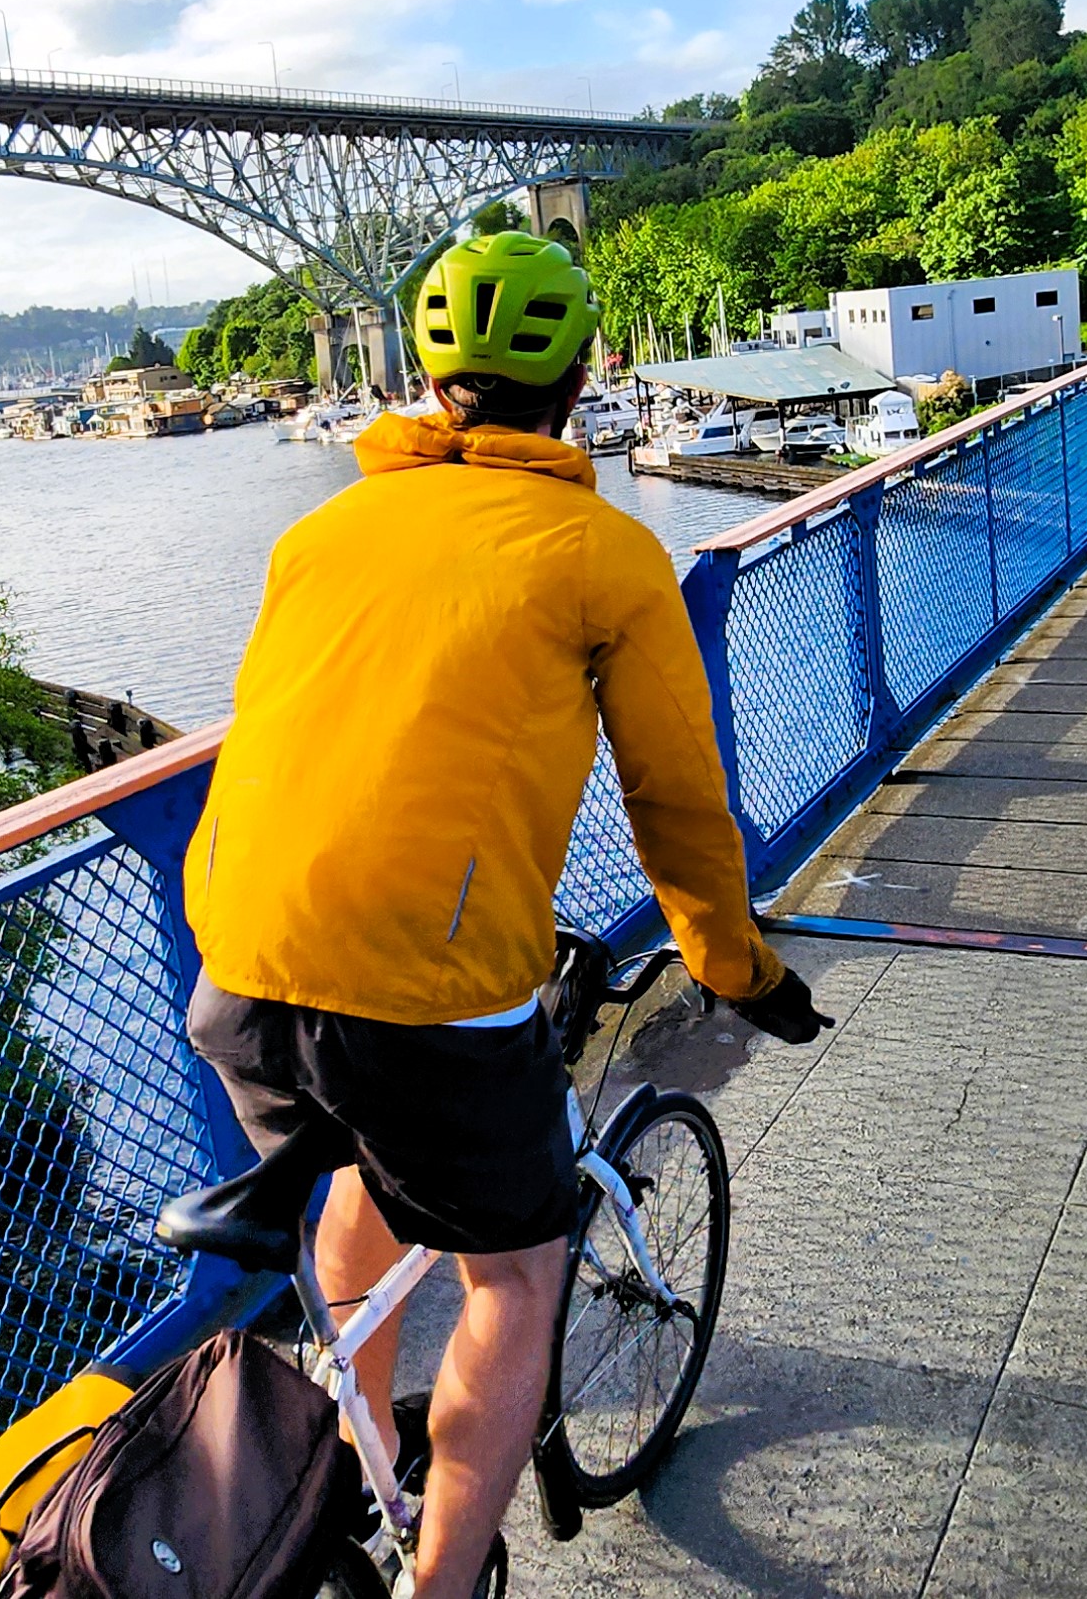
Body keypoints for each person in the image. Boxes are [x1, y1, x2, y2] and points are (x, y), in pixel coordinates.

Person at [181, 229, 829, 1599]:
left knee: (361, 1181)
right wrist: (737, 965)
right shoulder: (600, 553)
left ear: (430, 370)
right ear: (585, 374)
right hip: (424, 994)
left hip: (239, 963)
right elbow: (676, 801)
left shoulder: (322, 529)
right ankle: (441, 1578)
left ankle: (336, 1478)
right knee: (514, 1285)